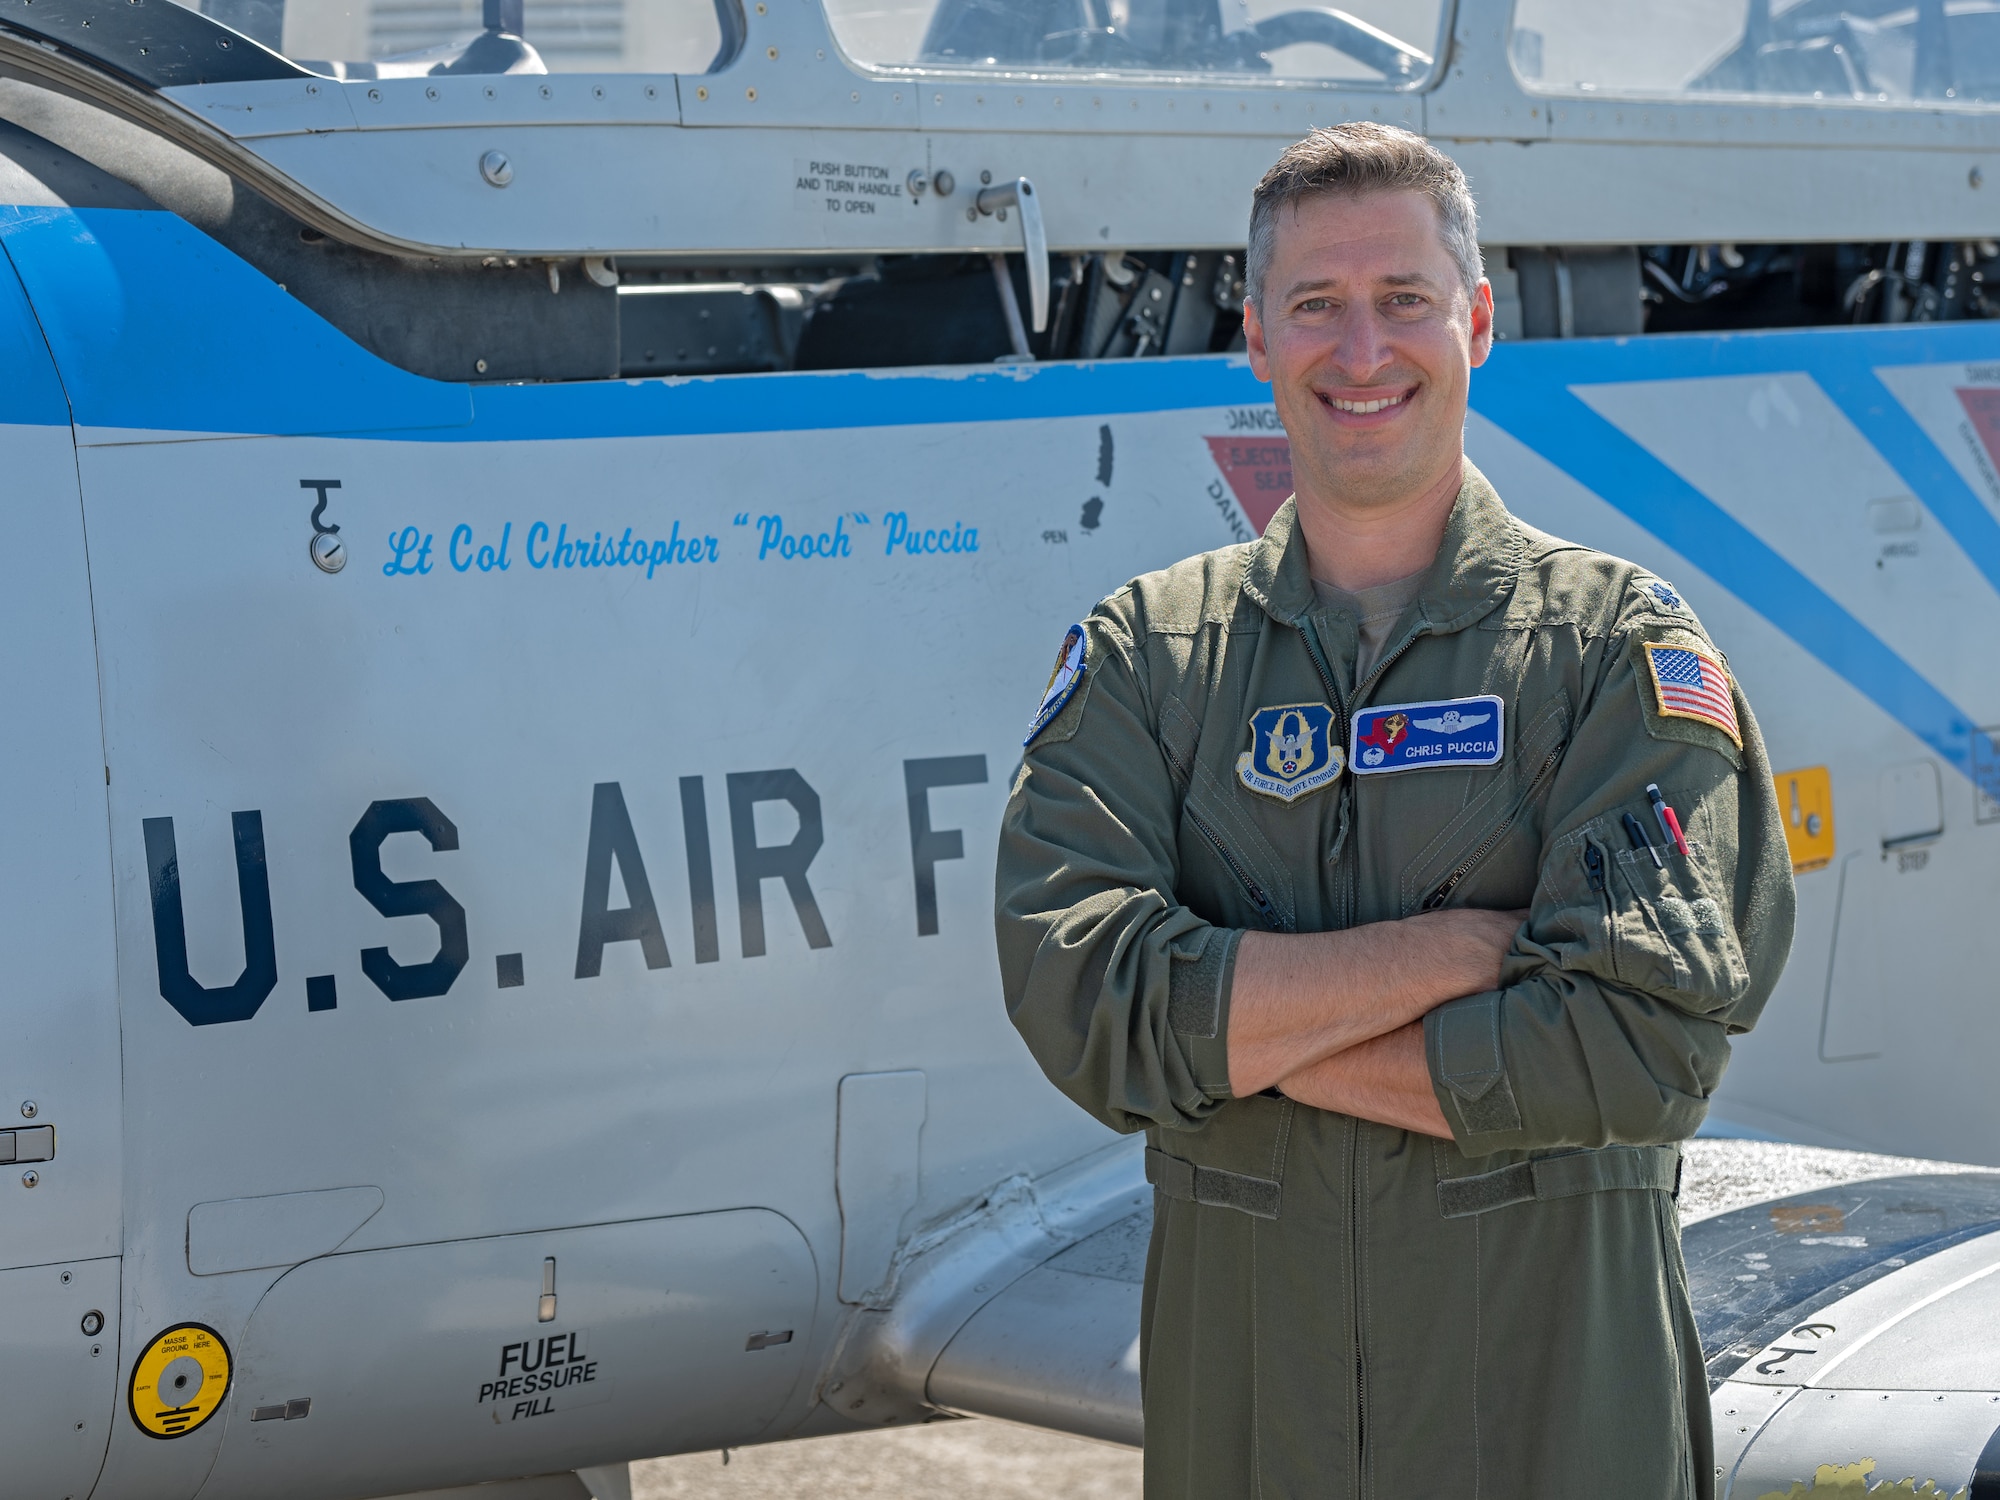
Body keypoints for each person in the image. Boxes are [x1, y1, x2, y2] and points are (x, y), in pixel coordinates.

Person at [994, 122, 1795, 1499]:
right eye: (1316, 306)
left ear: (1475, 321)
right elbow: (1081, 999)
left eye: (1403, 301)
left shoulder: (1615, 653)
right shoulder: (1149, 657)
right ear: (1256, 336)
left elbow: (1634, 1045)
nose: (1361, 352)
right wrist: (1460, 956)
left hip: (1557, 1430)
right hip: (1258, 1435)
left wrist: (1233, 1046)